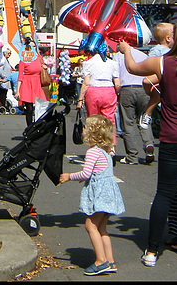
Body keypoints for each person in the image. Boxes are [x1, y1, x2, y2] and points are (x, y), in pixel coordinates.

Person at [117, 18, 177, 267]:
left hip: (171, 137)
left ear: (175, 38)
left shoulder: (162, 62)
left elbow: (134, 68)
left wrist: (126, 50)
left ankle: (151, 250)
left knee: (164, 195)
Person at [60, 114, 124, 275]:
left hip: (100, 195)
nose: (83, 129)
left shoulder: (92, 152)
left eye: (86, 127)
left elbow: (86, 173)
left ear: (93, 133)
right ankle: (110, 261)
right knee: (102, 227)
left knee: (91, 225)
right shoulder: (106, 151)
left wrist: (69, 176)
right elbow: (98, 172)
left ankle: (100, 261)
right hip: (110, 195)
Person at [113, 46, 155, 165]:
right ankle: (149, 145)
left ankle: (132, 156)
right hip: (143, 88)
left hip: (127, 89)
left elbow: (115, 76)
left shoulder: (118, 56)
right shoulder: (143, 55)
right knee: (144, 120)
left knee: (128, 123)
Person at [76, 51, 121, 146]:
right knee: (109, 120)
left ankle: (94, 145)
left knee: (93, 120)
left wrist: (80, 99)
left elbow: (86, 82)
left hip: (93, 90)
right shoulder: (113, 63)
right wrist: (116, 93)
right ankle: (110, 145)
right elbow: (117, 83)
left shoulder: (88, 63)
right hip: (109, 90)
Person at [138, 22, 174, 130]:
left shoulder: (173, 50)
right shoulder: (157, 50)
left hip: (169, 81)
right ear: (168, 38)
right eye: (174, 35)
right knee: (156, 95)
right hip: (158, 78)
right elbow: (151, 66)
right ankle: (147, 114)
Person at [15, 45, 48, 127]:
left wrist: (44, 67)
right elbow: (20, 76)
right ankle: (30, 128)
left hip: (37, 83)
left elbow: (42, 68)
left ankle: (38, 127)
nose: (32, 48)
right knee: (29, 108)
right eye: (30, 47)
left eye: (34, 46)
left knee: (40, 107)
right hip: (27, 83)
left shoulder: (39, 57)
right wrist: (17, 91)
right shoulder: (23, 60)